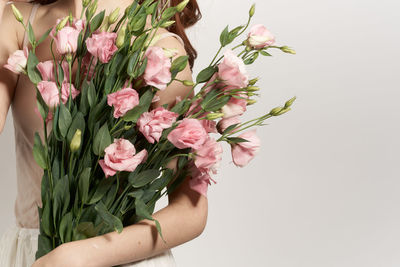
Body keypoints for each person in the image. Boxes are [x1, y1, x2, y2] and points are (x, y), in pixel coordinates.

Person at [0, 0, 207, 266]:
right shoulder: (20, 20)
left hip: (115, 259)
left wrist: (81, 255)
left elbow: (191, 211)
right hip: (28, 256)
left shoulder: (160, 50)